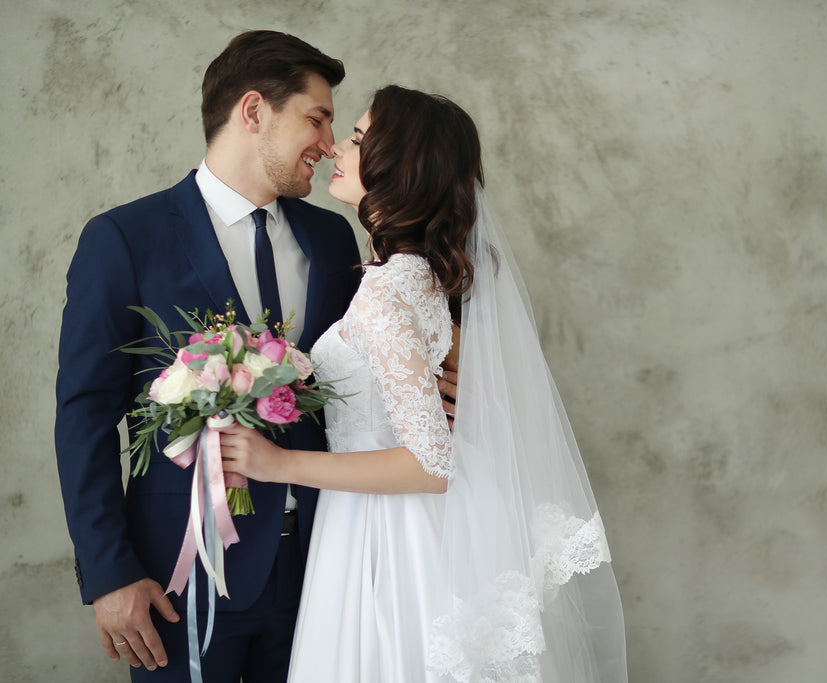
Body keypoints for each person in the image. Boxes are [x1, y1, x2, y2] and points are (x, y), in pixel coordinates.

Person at [54, 32, 459, 682]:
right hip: (183, 572)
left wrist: (453, 366)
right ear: (253, 112)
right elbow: (84, 417)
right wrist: (109, 571)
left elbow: (378, 363)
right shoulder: (125, 239)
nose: (329, 143)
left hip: (331, 567)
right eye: (318, 118)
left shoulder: (333, 236)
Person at [220, 85, 628, 681]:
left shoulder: (389, 291)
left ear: (399, 165)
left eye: (357, 138)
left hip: (388, 535)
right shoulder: (416, 276)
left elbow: (429, 466)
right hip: (387, 523)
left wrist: (277, 466)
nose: (338, 149)